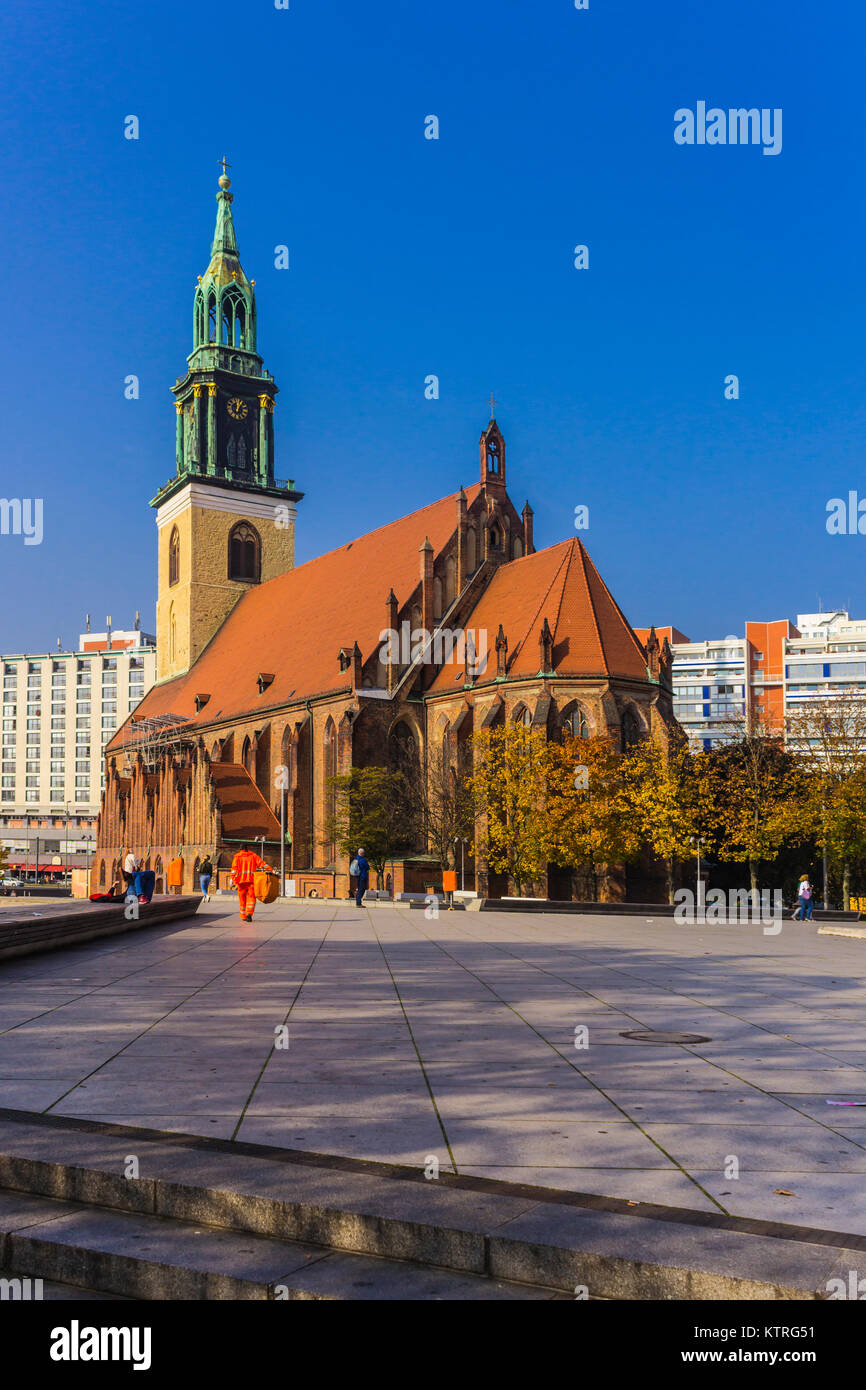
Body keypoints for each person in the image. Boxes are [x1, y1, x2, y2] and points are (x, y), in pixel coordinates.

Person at [230, 842, 272, 922]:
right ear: (247, 849)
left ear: (240, 849)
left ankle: (243, 915)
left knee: (242, 899)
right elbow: (262, 864)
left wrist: (232, 879)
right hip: (251, 881)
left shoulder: (237, 857)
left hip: (241, 882)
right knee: (251, 898)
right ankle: (249, 913)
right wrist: (270, 870)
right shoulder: (253, 856)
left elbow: (234, 869)